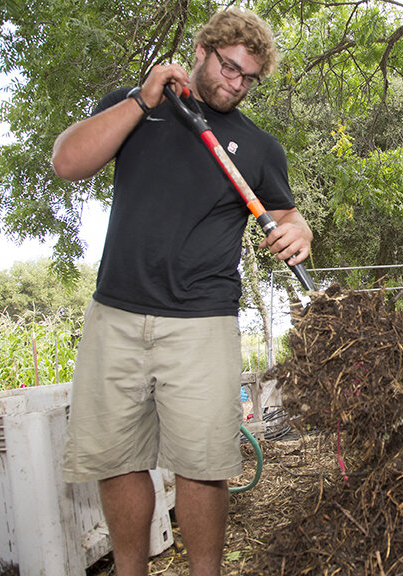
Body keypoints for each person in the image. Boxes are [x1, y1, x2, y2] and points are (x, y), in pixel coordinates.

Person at [51, 8, 312, 575]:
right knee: (117, 460)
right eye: (229, 68)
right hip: (116, 314)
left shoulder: (259, 147)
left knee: (201, 463)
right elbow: (67, 162)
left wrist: (300, 231)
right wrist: (142, 101)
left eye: (249, 78)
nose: (236, 84)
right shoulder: (136, 107)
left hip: (202, 323)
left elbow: (289, 217)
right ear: (202, 51)